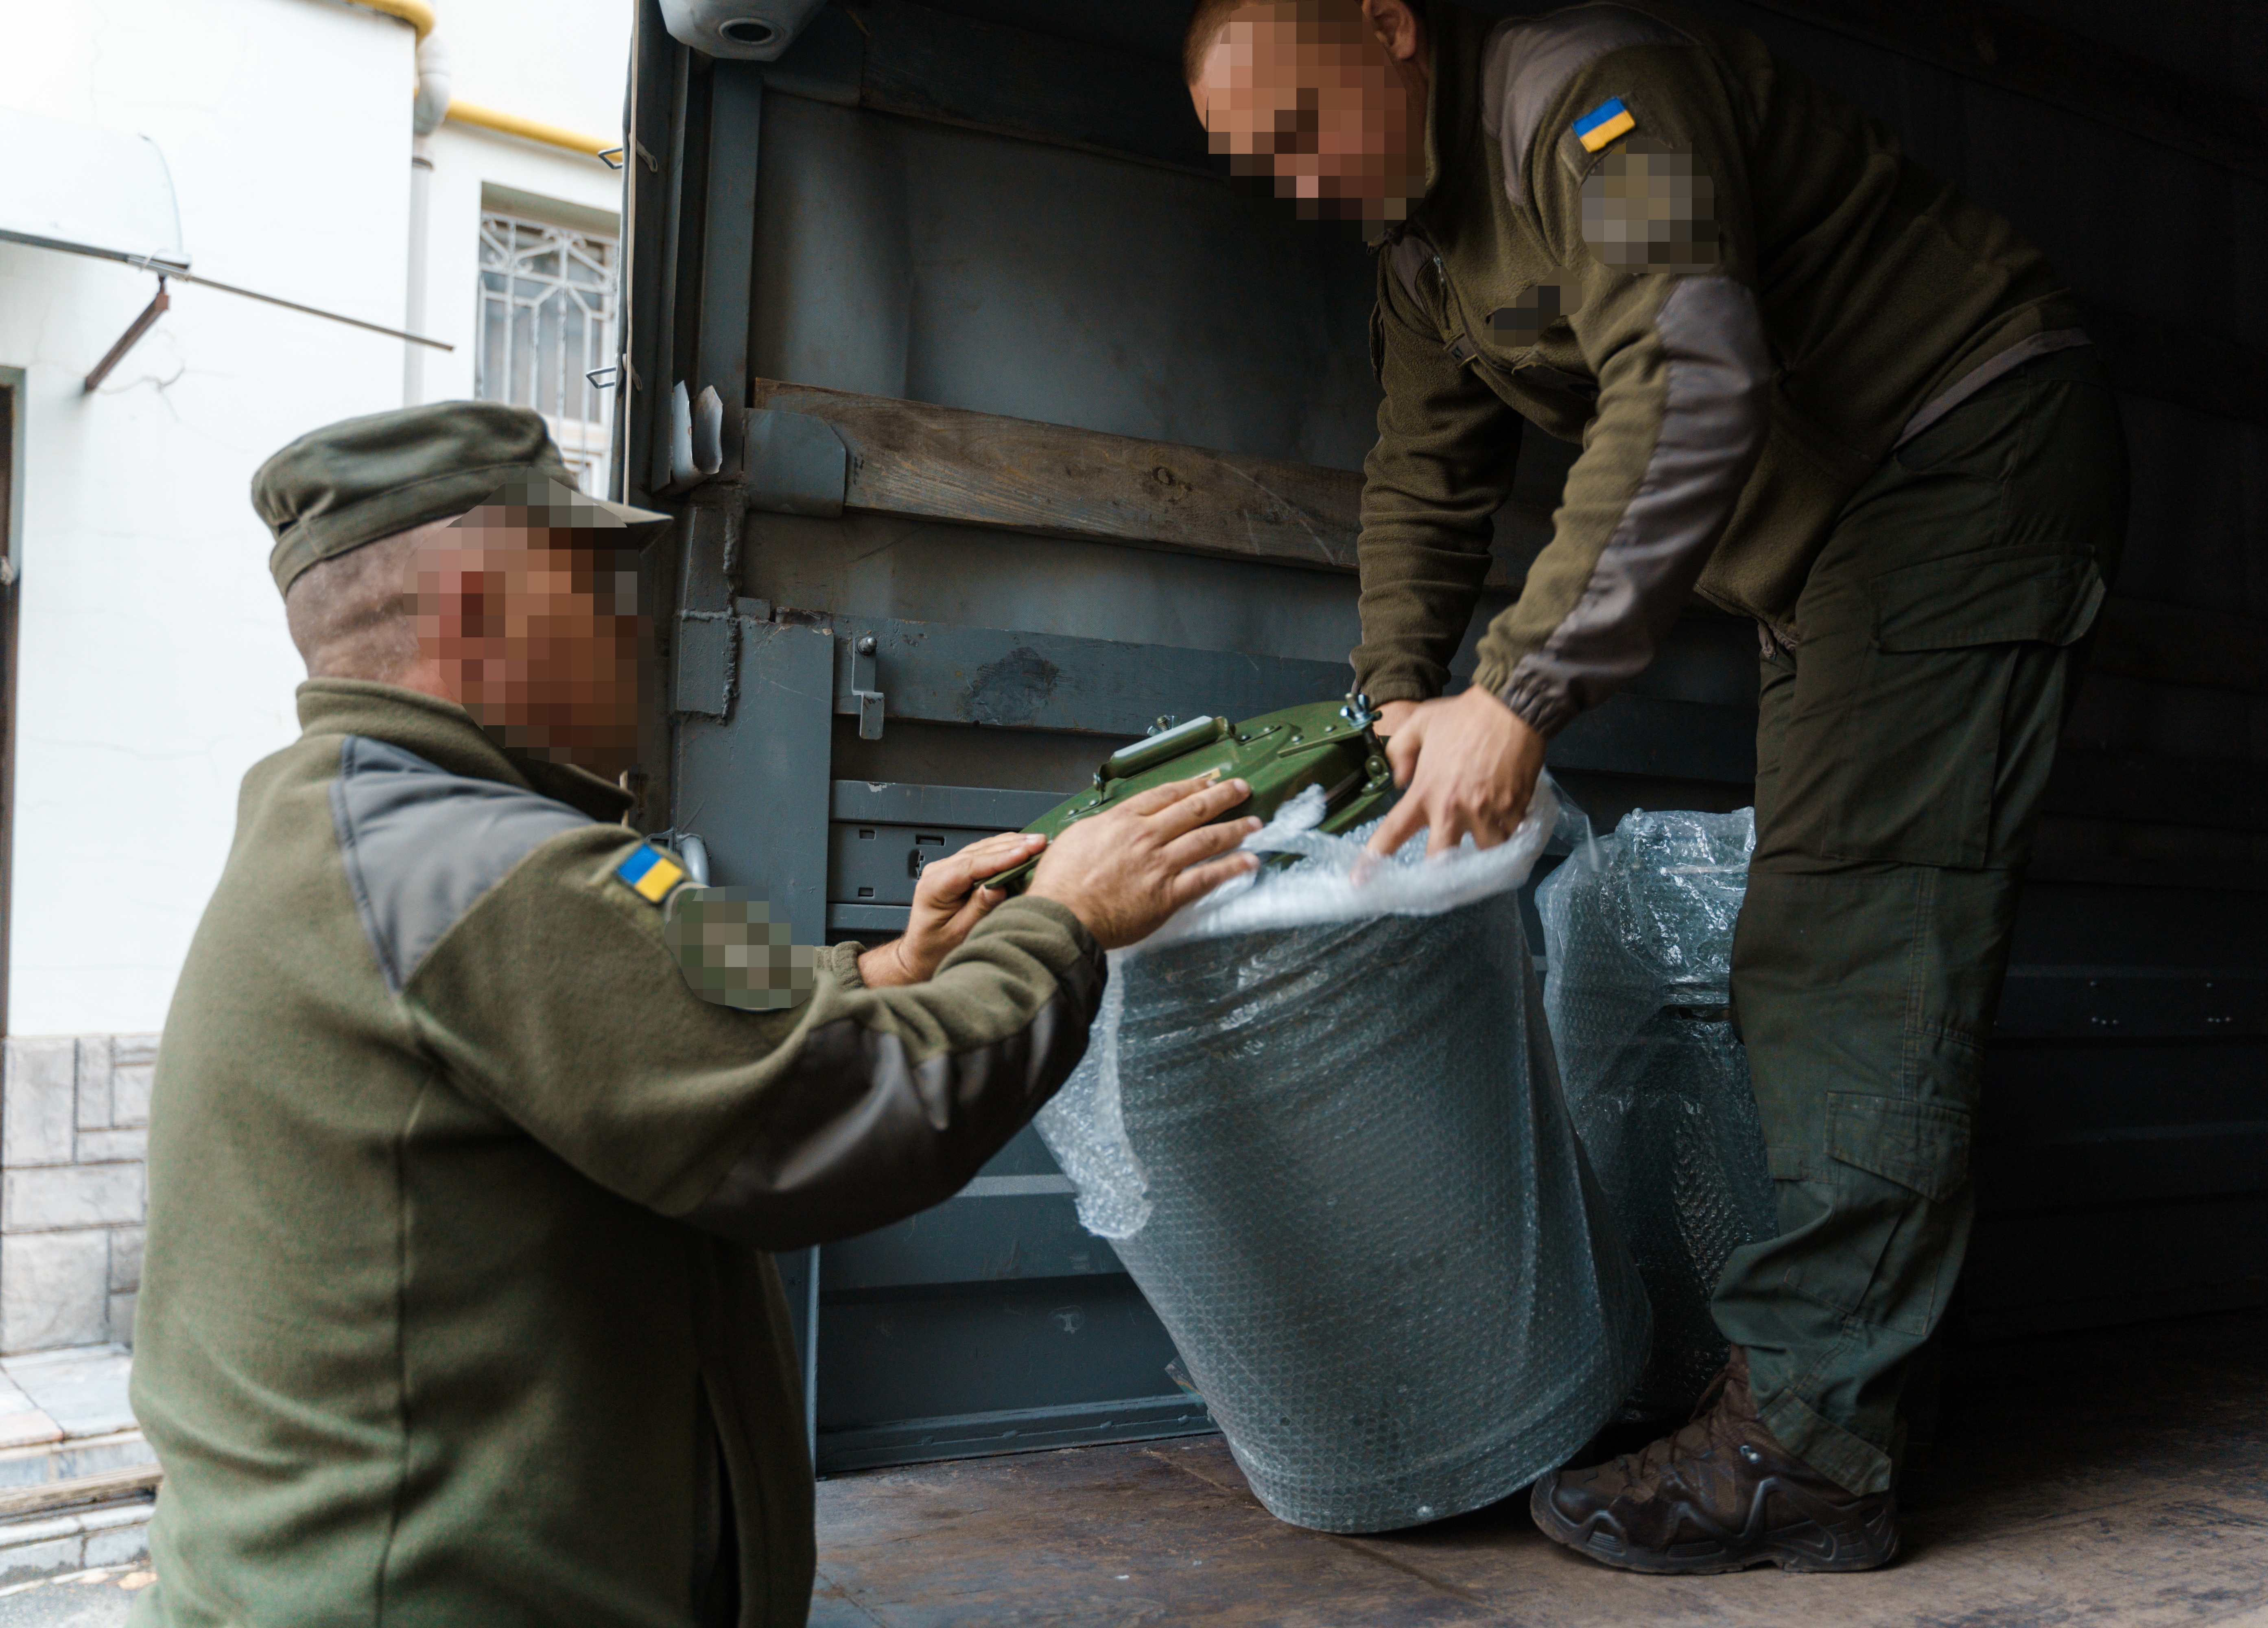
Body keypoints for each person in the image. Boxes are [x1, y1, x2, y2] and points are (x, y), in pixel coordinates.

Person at [1187, 0, 2128, 1574]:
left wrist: (1524, 690)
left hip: (1959, 450)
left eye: (1297, 127)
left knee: (1846, 938)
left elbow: (1694, 374)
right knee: (1826, 935)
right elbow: (1428, 472)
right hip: (1837, 536)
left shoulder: (1590, 108)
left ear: (1387, 28)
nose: (1294, 180)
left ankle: (1818, 1451)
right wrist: (1394, 701)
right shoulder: (1423, 259)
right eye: (1255, 165)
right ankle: (1841, 1396)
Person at [128, 401, 1261, 1626]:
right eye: (592, 584)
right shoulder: (482, 870)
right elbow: (850, 1110)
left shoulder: (442, 831)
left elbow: (703, 981)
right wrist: (1071, 921)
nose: (634, 627)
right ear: (479, 608)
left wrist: (884, 969)